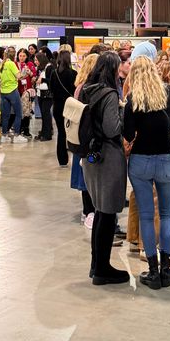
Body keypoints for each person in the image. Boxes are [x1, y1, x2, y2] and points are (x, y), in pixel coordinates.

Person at [122, 56, 170, 289]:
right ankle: (167, 269)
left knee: (147, 216)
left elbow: (128, 134)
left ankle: (152, 270)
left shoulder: (132, 100)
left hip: (140, 161)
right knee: (168, 215)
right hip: (167, 158)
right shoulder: (168, 93)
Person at [79, 51, 129, 285]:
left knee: (99, 210)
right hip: (108, 157)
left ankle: (96, 265)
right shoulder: (108, 94)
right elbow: (112, 129)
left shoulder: (86, 89)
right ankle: (102, 269)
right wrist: (122, 112)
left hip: (90, 157)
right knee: (108, 213)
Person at [73, 53, 99, 227]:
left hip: (79, 141)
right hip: (87, 142)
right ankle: (89, 211)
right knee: (88, 176)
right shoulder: (87, 89)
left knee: (85, 176)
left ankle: (87, 211)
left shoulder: (80, 87)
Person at [48, 49, 77, 166]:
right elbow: (75, 91)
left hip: (57, 107)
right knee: (72, 132)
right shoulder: (73, 73)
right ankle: (74, 155)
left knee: (61, 132)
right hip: (70, 106)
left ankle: (62, 159)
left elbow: (51, 90)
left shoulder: (54, 73)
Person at [0, 47, 25, 143]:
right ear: (14, 55)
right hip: (12, 91)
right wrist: (25, 73)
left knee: (5, 115)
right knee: (18, 113)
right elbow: (19, 76)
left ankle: (4, 135)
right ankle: (17, 135)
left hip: (3, 92)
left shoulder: (2, 64)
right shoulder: (11, 64)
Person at [16, 48, 37, 138]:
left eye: (24, 56)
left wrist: (30, 73)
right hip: (17, 89)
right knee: (18, 110)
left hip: (27, 91)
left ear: (27, 56)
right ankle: (18, 129)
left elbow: (34, 77)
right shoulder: (15, 64)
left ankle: (26, 129)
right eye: (20, 55)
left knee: (26, 110)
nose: (21, 58)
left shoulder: (30, 64)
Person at [34, 51, 54, 142]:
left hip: (47, 94)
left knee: (46, 113)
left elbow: (52, 80)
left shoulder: (49, 67)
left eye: (36, 60)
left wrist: (43, 80)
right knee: (43, 114)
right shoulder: (41, 68)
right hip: (40, 93)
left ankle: (48, 134)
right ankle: (43, 132)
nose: (35, 62)